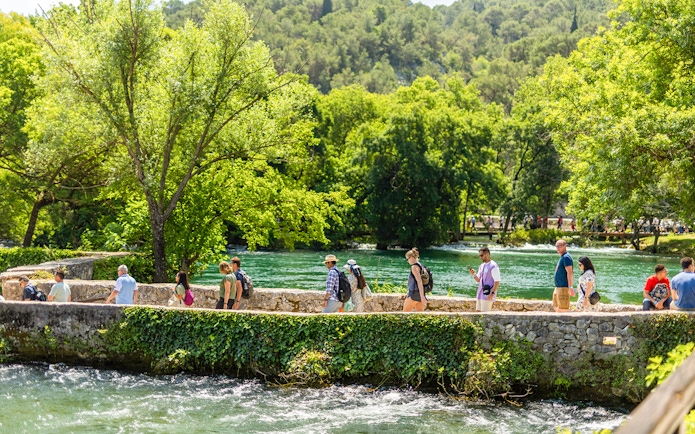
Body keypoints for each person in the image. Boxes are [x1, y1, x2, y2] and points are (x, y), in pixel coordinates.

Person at [468, 247, 501, 312]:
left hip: (488, 295)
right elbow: (478, 280)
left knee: (484, 315)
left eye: (482, 255)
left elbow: (497, 281)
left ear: (487, 254)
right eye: (479, 255)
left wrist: (492, 293)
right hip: (480, 294)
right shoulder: (482, 266)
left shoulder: (493, 266)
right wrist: (474, 275)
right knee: (478, 313)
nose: (480, 257)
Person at [553, 239, 574, 312]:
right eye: (556, 246)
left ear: (565, 246)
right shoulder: (563, 257)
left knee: (563, 308)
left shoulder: (566, 257)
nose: (558, 248)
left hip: (563, 287)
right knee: (557, 307)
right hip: (558, 287)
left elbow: (570, 272)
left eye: (560, 246)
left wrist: (570, 287)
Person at [403, 247, 427, 312]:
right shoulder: (420, 265)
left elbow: (419, 281)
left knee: (404, 315)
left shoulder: (414, 267)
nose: (407, 261)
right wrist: (422, 296)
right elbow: (415, 282)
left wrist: (422, 297)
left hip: (414, 293)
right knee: (420, 317)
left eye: (407, 259)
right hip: (420, 293)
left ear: (412, 257)